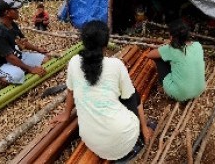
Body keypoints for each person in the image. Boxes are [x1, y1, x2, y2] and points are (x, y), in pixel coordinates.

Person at [51, 20, 153, 161]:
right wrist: (144, 127)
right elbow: (132, 99)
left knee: (119, 92)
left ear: (83, 42)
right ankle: (140, 137)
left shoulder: (74, 62)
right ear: (106, 43)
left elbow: (70, 91)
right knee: (131, 92)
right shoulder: (116, 65)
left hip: (91, 140)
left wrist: (66, 114)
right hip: (123, 138)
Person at [0, 0, 49, 84]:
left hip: (18, 56)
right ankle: (3, 79)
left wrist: (38, 49)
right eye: (15, 9)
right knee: (19, 75)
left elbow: (23, 41)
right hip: (4, 64)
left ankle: (21, 69)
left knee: (46, 59)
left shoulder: (12, 24)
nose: (18, 11)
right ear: (7, 13)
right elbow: (10, 58)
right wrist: (30, 68)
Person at [147, 19, 206, 101]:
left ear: (172, 36)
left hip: (181, 94)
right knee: (175, 60)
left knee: (159, 59)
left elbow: (150, 55)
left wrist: (167, 44)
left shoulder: (171, 49)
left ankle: (164, 86)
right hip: (199, 89)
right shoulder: (197, 45)